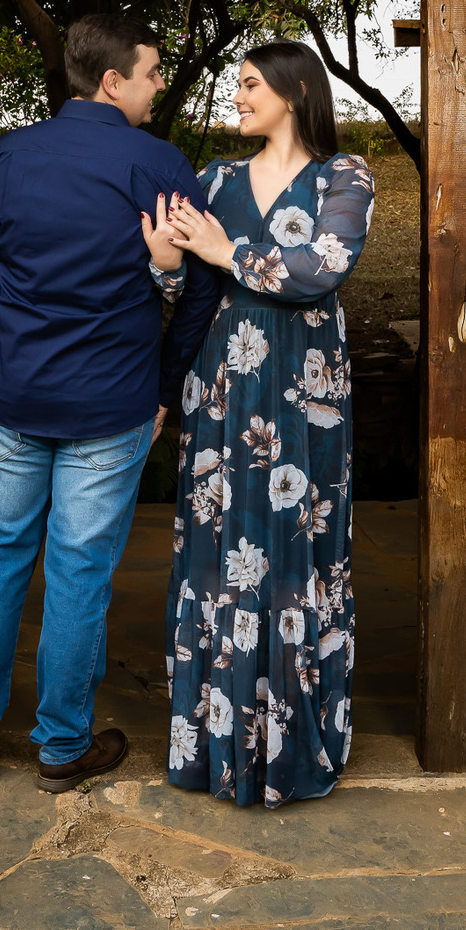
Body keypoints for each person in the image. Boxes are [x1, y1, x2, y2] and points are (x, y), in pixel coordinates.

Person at [0, 12, 219, 792]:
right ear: (112, 80)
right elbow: (198, 289)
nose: (160, 87)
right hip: (112, 401)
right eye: (153, 73)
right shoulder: (161, 165)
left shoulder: (7, 156)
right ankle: (61, 748)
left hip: (15, 395)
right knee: (78, 574)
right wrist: (166, 382)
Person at [157, 40, 375, 808]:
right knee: (221, 543)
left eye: (250, 84)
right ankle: (216, 745)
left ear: (292, 90)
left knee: (297, 542)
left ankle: (293, 743)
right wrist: (167, 261)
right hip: (224, 389)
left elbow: (323, 267)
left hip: (307, 388)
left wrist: (225, 250)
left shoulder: (345, 177)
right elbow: (178, 283)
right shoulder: (214, 177)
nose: (239, 97)